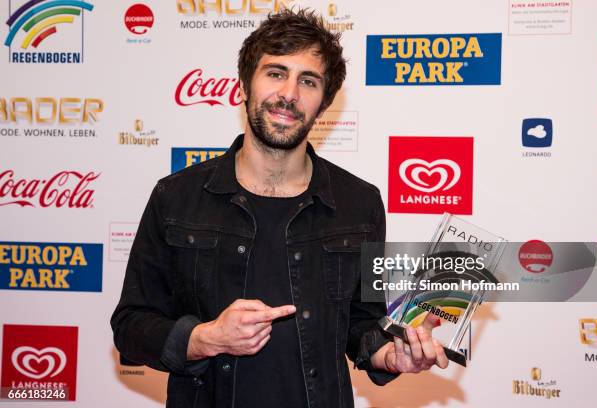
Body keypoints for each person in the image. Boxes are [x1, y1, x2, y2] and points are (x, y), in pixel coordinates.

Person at [111, 8, 448, 408]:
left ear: (324, 104)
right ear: (243, 87)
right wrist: (204, 338)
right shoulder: (176, 196)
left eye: (308, 81)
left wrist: (389, 355)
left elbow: (360, 323)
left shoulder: (360, 203)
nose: (289, 93)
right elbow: (130, 326)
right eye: (275, 73)